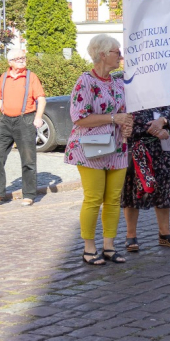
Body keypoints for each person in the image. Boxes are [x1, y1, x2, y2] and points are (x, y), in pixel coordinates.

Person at [65, 34, 134, 265]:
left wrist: (126, 124)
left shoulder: (117, 82)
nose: (120, 56)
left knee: (114, 199)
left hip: (117, 148)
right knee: (93, 198)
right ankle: (89, 248)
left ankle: (109, 246)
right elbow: (79, 118)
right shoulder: (85, 81)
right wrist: (115, 118)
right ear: (103, 54)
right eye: (117, 52)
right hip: (90, 148)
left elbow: (125, 114)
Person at [121, 106, 170, 251]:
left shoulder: (160, 88)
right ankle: (131, 235)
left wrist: (162, 121)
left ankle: (165, 233)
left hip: (161, 146)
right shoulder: (129, 87)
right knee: (132, 189)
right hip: (135, 147)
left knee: (164, 188)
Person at [0, 48, 46, 206]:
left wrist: (38, 117)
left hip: (25, 120)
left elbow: (41, 99)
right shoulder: (3, 77)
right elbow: (0, 98)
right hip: (5, 121)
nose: (21, 60)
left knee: (28, 160)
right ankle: (0, 193)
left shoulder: (31, 77)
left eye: (23, 57)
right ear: (10, 62)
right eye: (18, 58)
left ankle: (29, 194)